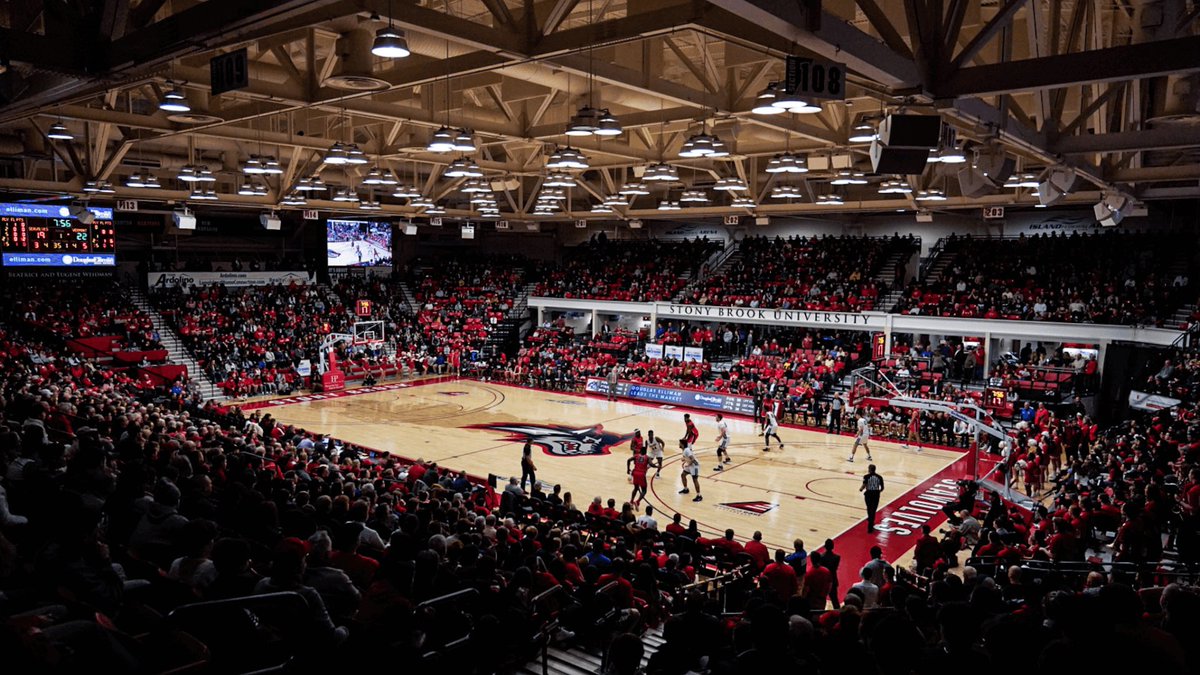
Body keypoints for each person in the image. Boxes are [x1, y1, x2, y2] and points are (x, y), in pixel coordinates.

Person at [860, 463, 884, 533]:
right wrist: (878, 491)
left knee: (869, 508)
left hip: (869, 494)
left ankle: (870, 520)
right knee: (873, 509)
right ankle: (871, 521)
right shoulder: (879, 477)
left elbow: (864, 485)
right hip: (876, 494)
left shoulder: (866, 476)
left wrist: (861, 489)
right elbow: (882, 488)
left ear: (870, 470)